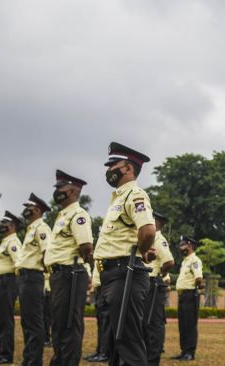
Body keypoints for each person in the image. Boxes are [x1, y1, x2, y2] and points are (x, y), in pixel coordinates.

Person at [94, 142, 156, 365]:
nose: (109, 170)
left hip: (125, 273)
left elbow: (148, 230)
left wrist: (141, 251)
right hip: (113, 275)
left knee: (128, 340)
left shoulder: (135, 194)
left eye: (113, 165)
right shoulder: (119, 198)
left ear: (128, 168)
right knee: (115, 341)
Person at [45, 169, 93, 366]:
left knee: (69, 324)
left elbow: (86, 246)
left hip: (71, 274)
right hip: (60, 275)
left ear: (73, 191)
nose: (57, 191)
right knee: (58, 323)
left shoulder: (78, 214)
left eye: (61, 188)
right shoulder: (62, 215)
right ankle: (60, 360)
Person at [16, 193, 52, 366]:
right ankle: (28, 360)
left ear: (37, 210)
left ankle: (33, 362)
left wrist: (41, 273)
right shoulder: (31, 228)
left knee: (34, 323)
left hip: (33, 277)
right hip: (25, 278)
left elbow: (47, 253)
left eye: (28, 207)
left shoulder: (42, 228)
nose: (25, 211)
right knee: (27, 321)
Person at [0, 211, 22, 365]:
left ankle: (6, 354)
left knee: (5, 320)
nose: (1, 226)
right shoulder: (5, 241)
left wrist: (13, 283)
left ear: (13, 226)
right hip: (0, 283)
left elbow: (18, 262)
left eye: (5, 223)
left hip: (6, 282)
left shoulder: (13, 242)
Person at [144, 211, 175, 365]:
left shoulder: (158, 238)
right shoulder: (148, 237)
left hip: (153, 284)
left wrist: (159, 274)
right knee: (145, 322)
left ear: (156, 223)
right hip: (145, 284)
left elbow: (169, 262)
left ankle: (153, 359)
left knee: (153, 323)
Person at [171, 236, 203, 361]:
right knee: (183, 325)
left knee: (190, 325)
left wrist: (198, 285)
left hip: (190, 295)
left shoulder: (194, 260)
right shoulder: (185, 261)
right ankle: (183, 351)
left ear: (189, 245)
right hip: (183, 295)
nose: (180, 247)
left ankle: (190, 352)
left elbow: (199, 277)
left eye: (182, 245)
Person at [84, 268, 110, 363]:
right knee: (101, 323)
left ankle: (105, 352)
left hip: (105, 286)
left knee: (105, 323)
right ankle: (99, 351)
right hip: (99, 288)